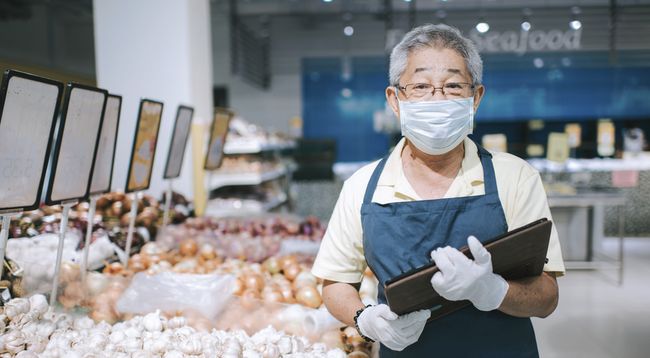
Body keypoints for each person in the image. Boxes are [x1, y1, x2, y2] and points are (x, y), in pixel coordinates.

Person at [311, 23, 565, 357]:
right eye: (420, 86)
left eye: (453, 86)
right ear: (395, 99)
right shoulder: (362, 187)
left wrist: (492, 290)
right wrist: (366, 319)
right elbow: (336, 283)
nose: (437, 98)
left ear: (475, 97)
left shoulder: (515, 177)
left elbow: (547, 297)